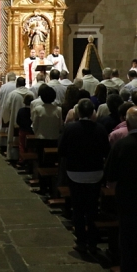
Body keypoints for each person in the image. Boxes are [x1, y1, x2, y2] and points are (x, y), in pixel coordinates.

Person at [59, 98, 110, 254]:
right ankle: (93, 241)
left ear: (78, 112)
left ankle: (81, 241)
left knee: (78, 208)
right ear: (92, 112)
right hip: (95, 173)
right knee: (93, 208)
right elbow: (106, 151)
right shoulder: (100, 129)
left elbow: (62, 151)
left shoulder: (70, 129)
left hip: (75, 173)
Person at [105, 106, 137, 271]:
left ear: (128, 125)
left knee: (127, 237)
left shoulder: (121, 145)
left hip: (127, 198)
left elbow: (111, 174)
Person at [2, 77, 34, 160]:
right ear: (25, 84)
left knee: (18, 141)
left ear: (17, 84)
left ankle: (14, 156)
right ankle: (30, 158)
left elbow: (6, 107)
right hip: (29, 123)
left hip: (15, 121)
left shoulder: (13, 94)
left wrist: (6, 119)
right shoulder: (31, 93)